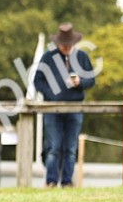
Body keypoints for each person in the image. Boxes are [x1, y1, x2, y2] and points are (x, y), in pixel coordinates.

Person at [33, 23, 95, 188]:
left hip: (74, 108)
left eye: (69, 45)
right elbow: (37, 80)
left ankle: (67, 181)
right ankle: (51, 181)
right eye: (63, 45)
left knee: (70, 147)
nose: (66, 48)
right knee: (54, 146)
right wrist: (50, 95)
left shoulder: (82, 57)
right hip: (52, 109)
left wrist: (80, 83)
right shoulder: (48, 57)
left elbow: (91, 80)